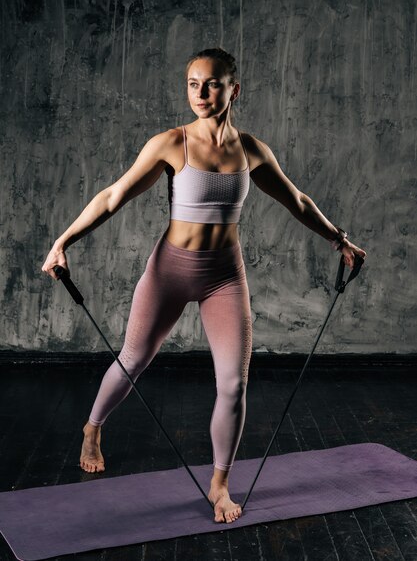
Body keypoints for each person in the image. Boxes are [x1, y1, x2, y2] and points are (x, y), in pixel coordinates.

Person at [41, 47, 367, 524]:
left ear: (234, 89)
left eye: (212, 84)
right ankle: (92, 428)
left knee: (233, 384)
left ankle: (219, 484)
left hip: (224, 277)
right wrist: (62, 240)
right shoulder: (171, 143)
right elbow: (113, 195)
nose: (201, 93)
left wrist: (340, 239)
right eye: (193, 83)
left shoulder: (252, 149)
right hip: (169, 270)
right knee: (132, 360)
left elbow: (296, 200)